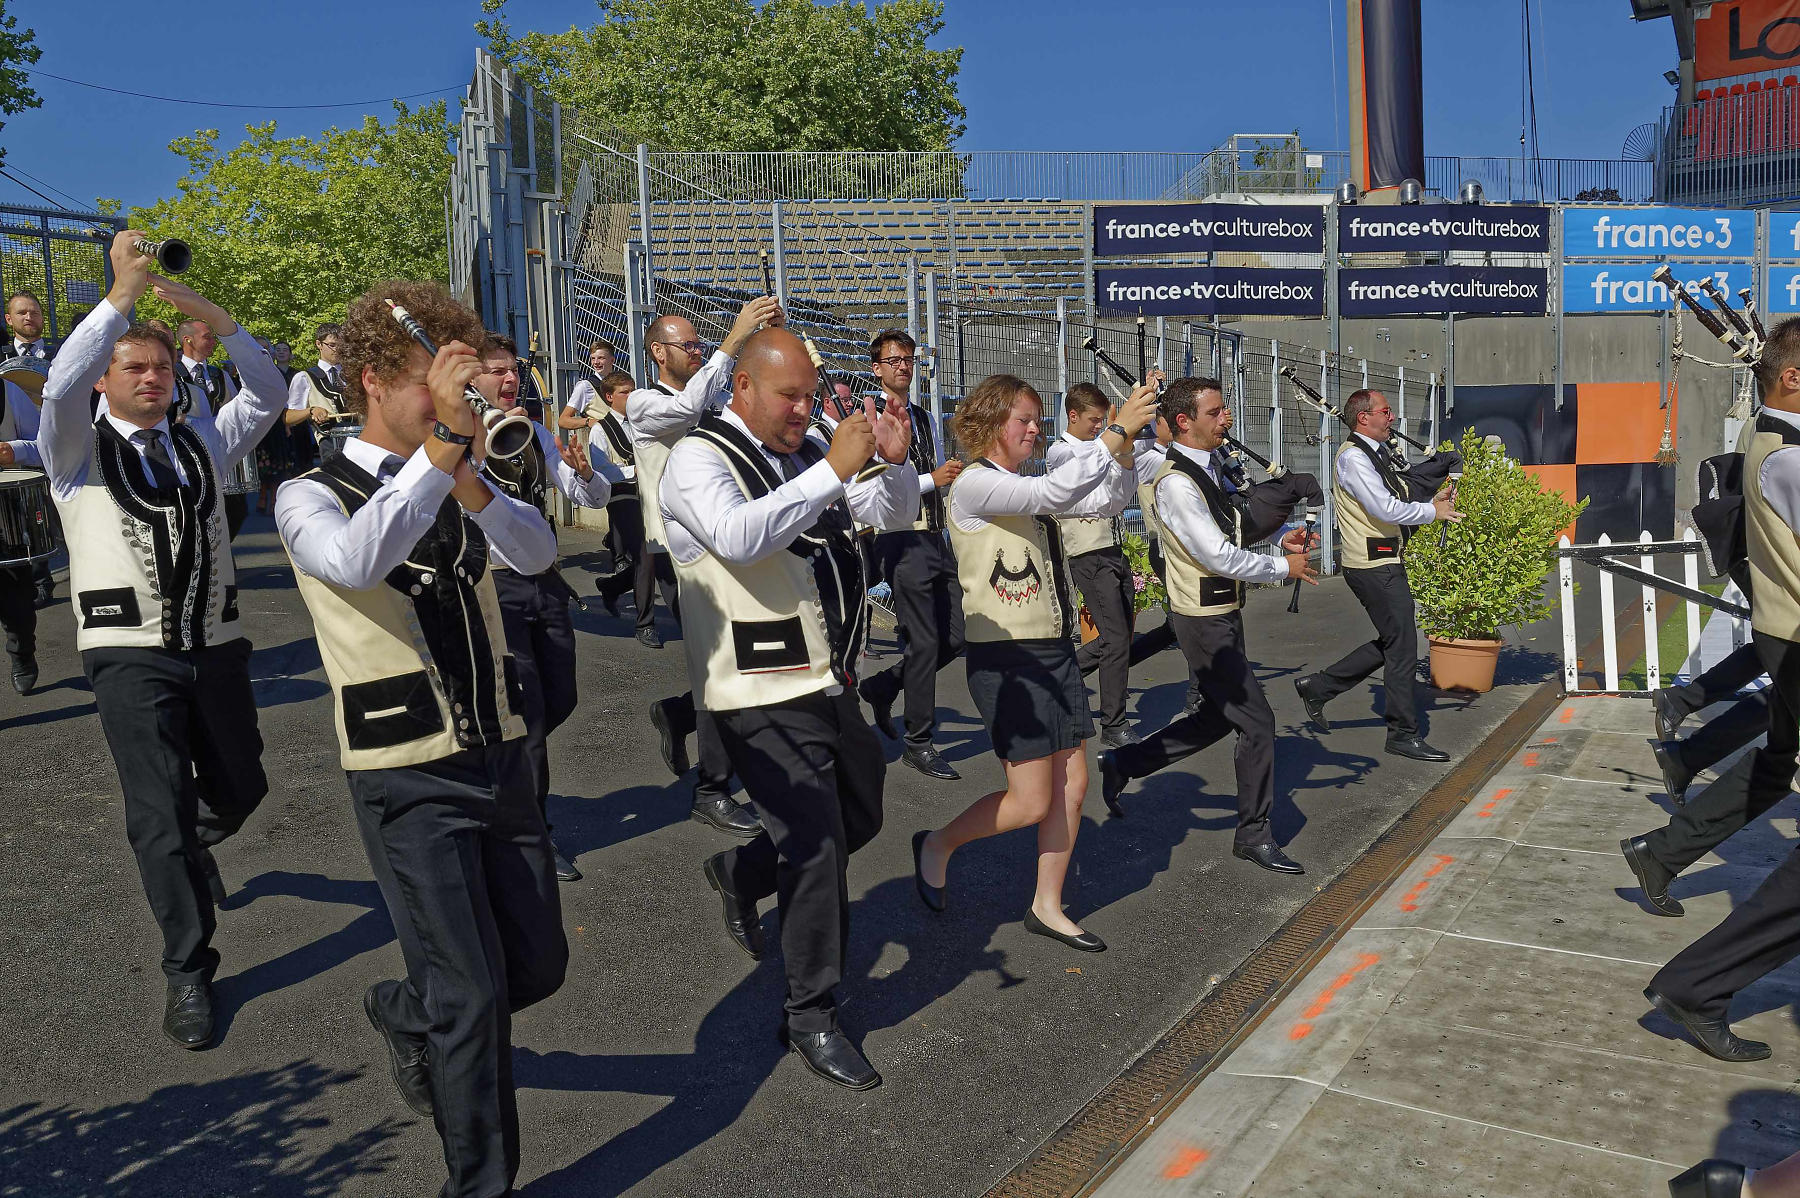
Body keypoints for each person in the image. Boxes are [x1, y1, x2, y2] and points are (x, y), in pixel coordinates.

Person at [275, 280, 568, 1197]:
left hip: (501, 751)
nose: (455, 402)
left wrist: (470, 474)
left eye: (464, 383)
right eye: (434, 383)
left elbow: (537, 555)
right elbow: (354, 561)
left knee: (536, 967)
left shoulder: (451, 473)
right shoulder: (305, 491)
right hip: (405, 772)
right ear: (373, 381)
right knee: (476, 1002)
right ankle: (480, 1184)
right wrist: (442, 450)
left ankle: (409, 1012)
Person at [36, 231, 287, 1049]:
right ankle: (189, 969)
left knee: (241, 789)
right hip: (126, 655)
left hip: (215, 646)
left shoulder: (201, 442)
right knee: (155, 815)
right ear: (107, 379)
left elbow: (270, 392)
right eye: (134, 369)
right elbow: (59, 387)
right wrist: (119, 296)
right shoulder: (71, 450)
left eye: (162, 368)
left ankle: (197, 842)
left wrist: (219, 319)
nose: (152, 379)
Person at [665, 326, 918, 1090]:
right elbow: (741, 538)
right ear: (743, 387)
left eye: (811, 396)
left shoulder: (808, 452)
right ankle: (811, 1012)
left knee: (861, 818)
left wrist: (895, 467)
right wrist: (833, 469)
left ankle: (742, 874)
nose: (804, 410)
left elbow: (890, 513)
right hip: (755, 691)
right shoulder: (697, 457)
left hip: (827, 678)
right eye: (790, 395)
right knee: (814, 851)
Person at [913, 373, 1158, 952]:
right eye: (1023, 419)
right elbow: (1049, 496)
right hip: (1006, 656)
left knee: (1073, 786)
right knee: (1029, 801)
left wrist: (1131, 444)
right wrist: (1118, 427)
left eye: (1035, 419)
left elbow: (1103, 499)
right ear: (991, 422)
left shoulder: (1025, 482)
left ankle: (1047, 905)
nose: (1034, 428)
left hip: (1052, 652)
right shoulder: (974, 484)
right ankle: (938, 843)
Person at [1628, 319, 1800, 1065]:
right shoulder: (1790, 457)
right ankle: (1699, 982)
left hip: (1785, 638)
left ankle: (1663, 854)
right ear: (1792, 379)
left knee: (1773, 765)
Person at [1096, 377, 1320, 873]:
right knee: (1258, 723)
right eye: (1216, 412)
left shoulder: (1208, 467)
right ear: (1184, 422)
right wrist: (1286, 569)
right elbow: (1215, 554)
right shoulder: (1176, 482)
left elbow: (1234, 520)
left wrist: (1280, 538)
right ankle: (1253, 833)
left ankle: (1123, 764)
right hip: (1202, 621)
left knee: (1216, 718)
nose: (1227, 419)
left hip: (1223, 614)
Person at [631, 298, 782, 839]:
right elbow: (691, 406)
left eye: (700, 344)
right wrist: (733, 339)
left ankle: (679, 714)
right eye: (687, 345)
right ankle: (711, 789)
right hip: (680, 555)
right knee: (719, 667)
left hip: (727, 543)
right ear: (658, 352)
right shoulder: (643, 403)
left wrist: (766, 349)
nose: (697, 352)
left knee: (723, 664)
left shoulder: (715, 389)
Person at [472, 332, 619, 883]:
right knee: (528, 716)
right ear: (471, 380)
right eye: (496, 371)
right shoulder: (455, 437)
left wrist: (583, 473)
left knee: (560, 697)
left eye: (513, 370)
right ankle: (533, 832)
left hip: (544, 580)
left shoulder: (532, 430)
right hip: (491, 586)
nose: (509, 380)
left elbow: (591, 499)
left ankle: (502, 782)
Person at [1294, 388, 1461, 762]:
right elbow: (1384, 508)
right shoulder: (1354, 459)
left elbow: (1397, 497)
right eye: (1386, 412)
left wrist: (1429, 504)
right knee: (1401, 646)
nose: (1392, 419)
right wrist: (1433, 513)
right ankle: (1402, 733)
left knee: (1395, 640)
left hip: (1382, 561)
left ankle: (1319, 687)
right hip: (1373, 566)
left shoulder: (1373, 454)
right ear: (1363, 418)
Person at [855, 330, 967, 780]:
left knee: (955, 635)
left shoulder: (921, 415)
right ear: (877, 367)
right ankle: (919, 740)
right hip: (899, 536)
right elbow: (871, 486)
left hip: (933, 537)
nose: (904, 365)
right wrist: (930, 480)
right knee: (923, 641)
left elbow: (937, 474)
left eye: (908, 358)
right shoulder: (865, 417)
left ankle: (884, 685)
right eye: (894, 359)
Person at [1053, 381, 1142, 748]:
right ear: (1072, 415)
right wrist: (1116, 442)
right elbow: (1091, 494)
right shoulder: (1062, 453)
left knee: (1115, 637)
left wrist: (1123, 453)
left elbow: (1117, 499)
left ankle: (1058, 677)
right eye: (1093, 420)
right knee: (1116, 637)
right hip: (1086, 550)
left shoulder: (1098, 450)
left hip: (1110, 544)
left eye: (1102, 420)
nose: (1098, 426)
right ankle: (1113, 723)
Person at [177, 317, 252, 539]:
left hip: (218, 449)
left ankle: (220, 549)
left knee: (236, 508)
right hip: (185, 450)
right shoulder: (172, 372)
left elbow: (235, 408)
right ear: (187, 340)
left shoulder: (220, 374)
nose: (213, 342)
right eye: (207, 337)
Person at [8, 292, 59, 608]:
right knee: (18, 514)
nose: (30, 317)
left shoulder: (61, 354)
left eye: (36, 312)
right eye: (23, 312)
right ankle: (27, 582)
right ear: (9, 319)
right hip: (13, 445)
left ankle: (45, 580)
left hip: (55, 442)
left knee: (47, 515)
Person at [0, 375, 44, 692]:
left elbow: (47, 445)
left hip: (6, 510)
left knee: (15, 596)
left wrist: (13, 450)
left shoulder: (10, 393)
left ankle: (22, 654)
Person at [590, 369, 645, 616]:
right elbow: (603, 471)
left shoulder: (643, 422)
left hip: (648, 494)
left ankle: (612, 586)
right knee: (645, 555)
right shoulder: (600, 430)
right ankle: (646, 620)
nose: (631, 396)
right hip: (622, 496)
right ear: (609, 397)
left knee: (656, 558)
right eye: (625, 392)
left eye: (633, 391)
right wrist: (638, 469)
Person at [558, 338, 616, 432]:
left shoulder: (620, 383)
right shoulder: (585, 386)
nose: (596, 362)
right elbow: (563, 420)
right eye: (593, 358)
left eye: (601, 358)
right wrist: (588, 421)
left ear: (612, 360)